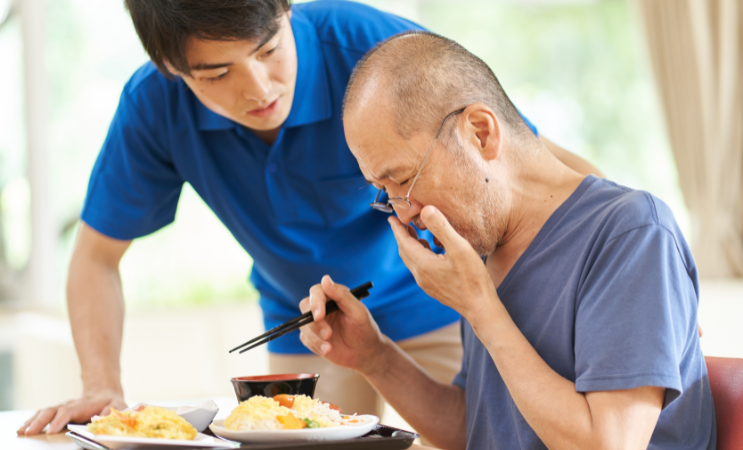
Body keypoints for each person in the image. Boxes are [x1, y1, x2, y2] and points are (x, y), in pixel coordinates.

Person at [18, 0, 602, 436]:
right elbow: (95, 257)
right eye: (217, 75)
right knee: (287, 442)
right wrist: (100, 384)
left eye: (269, 49)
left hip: (446, 300)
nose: (260, 88)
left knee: (479, 436)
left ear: (285, 9)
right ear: (171, 70)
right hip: (310, 322)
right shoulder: (152, 106)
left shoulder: (379, 55)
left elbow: (537, 168)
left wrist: (629, 271)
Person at [298, 31, 715, 449]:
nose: (404, 212)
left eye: (404, 179)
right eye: (383, 191)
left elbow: (609, 444)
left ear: (480, 133)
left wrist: (481, 308)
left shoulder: (631, 233)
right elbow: (477, 428)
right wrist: (376, 358)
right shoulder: (481, 248)